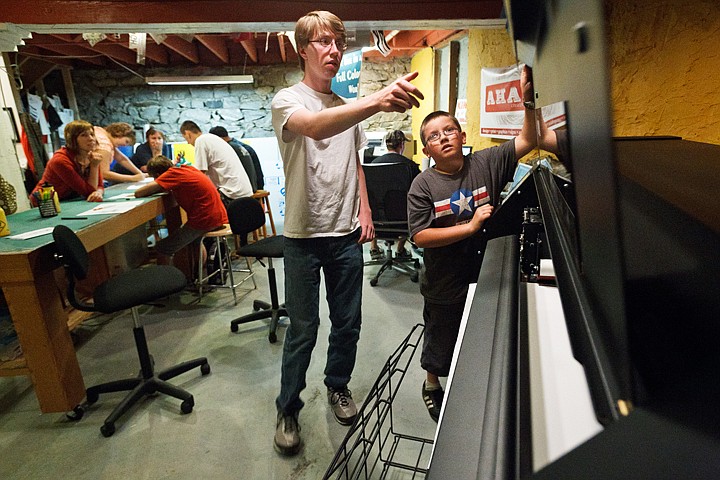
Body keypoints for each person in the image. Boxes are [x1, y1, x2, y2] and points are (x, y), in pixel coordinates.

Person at [270, 10, 423, 456]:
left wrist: (367, 209)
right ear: (303, 50)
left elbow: (354, 161)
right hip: (301, 235)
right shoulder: (288, 99)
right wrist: (376, 100)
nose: (333, 50)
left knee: (348, 324)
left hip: (345, 232)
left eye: (337, 42)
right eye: (322, 42)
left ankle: (337, 385)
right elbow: (316, 128)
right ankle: (288, 408)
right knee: (302, 329)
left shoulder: (346, 107)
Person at [407, 66, 560, 423]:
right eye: (433, 136)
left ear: (461, 135)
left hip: (486, 271)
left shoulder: (488, 162)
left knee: (478, 331)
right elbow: (420, 236)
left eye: (449, 130)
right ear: (428, 149)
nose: (443, 138)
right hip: (445, 279)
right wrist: (471, 225)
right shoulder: (423, 185)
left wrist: (528, 101)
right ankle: (431, 385)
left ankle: (469, 383)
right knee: (440, 337)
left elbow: (528, 138)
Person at [134, 155, 228, 265]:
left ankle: (166, 280)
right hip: (216, 216)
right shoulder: (185, 169)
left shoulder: (171, 174)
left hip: (204, 221)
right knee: (195, 242)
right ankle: (198, 276)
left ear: (158, 175)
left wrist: (157, 184)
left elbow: (139, 193)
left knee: (163, 248)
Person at [368, 129, 421, 260]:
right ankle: (400, 250)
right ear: (402, 144)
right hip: (402, 223)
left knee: (375, 201)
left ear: (387, 145)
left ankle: (373, 247)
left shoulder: (371, 165)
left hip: (375, 223)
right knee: (406, 203)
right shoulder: (409, 166)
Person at [179, 121, 254, 207]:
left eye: (186, 139)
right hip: (242, 190)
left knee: (199, 206)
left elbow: (200, 173)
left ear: (188, 134)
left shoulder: (201, 141)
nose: (188, 143)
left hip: (232, 193)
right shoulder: (211, 138)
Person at [29, 120, 104, 205]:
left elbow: (99, 186)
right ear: (72, 139)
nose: (91, 139)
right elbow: (87, 191)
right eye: (84, 135)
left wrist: (98, 193)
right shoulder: (60, 160)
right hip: (46, 204)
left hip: (69, 201)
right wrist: (94, 166)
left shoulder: (92, 156)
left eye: (92, 134)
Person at [208, 126, 258, 192]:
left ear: (217, 139)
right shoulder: (241, 146)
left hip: (243, 191)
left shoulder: (229, 148)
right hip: (253, 187)